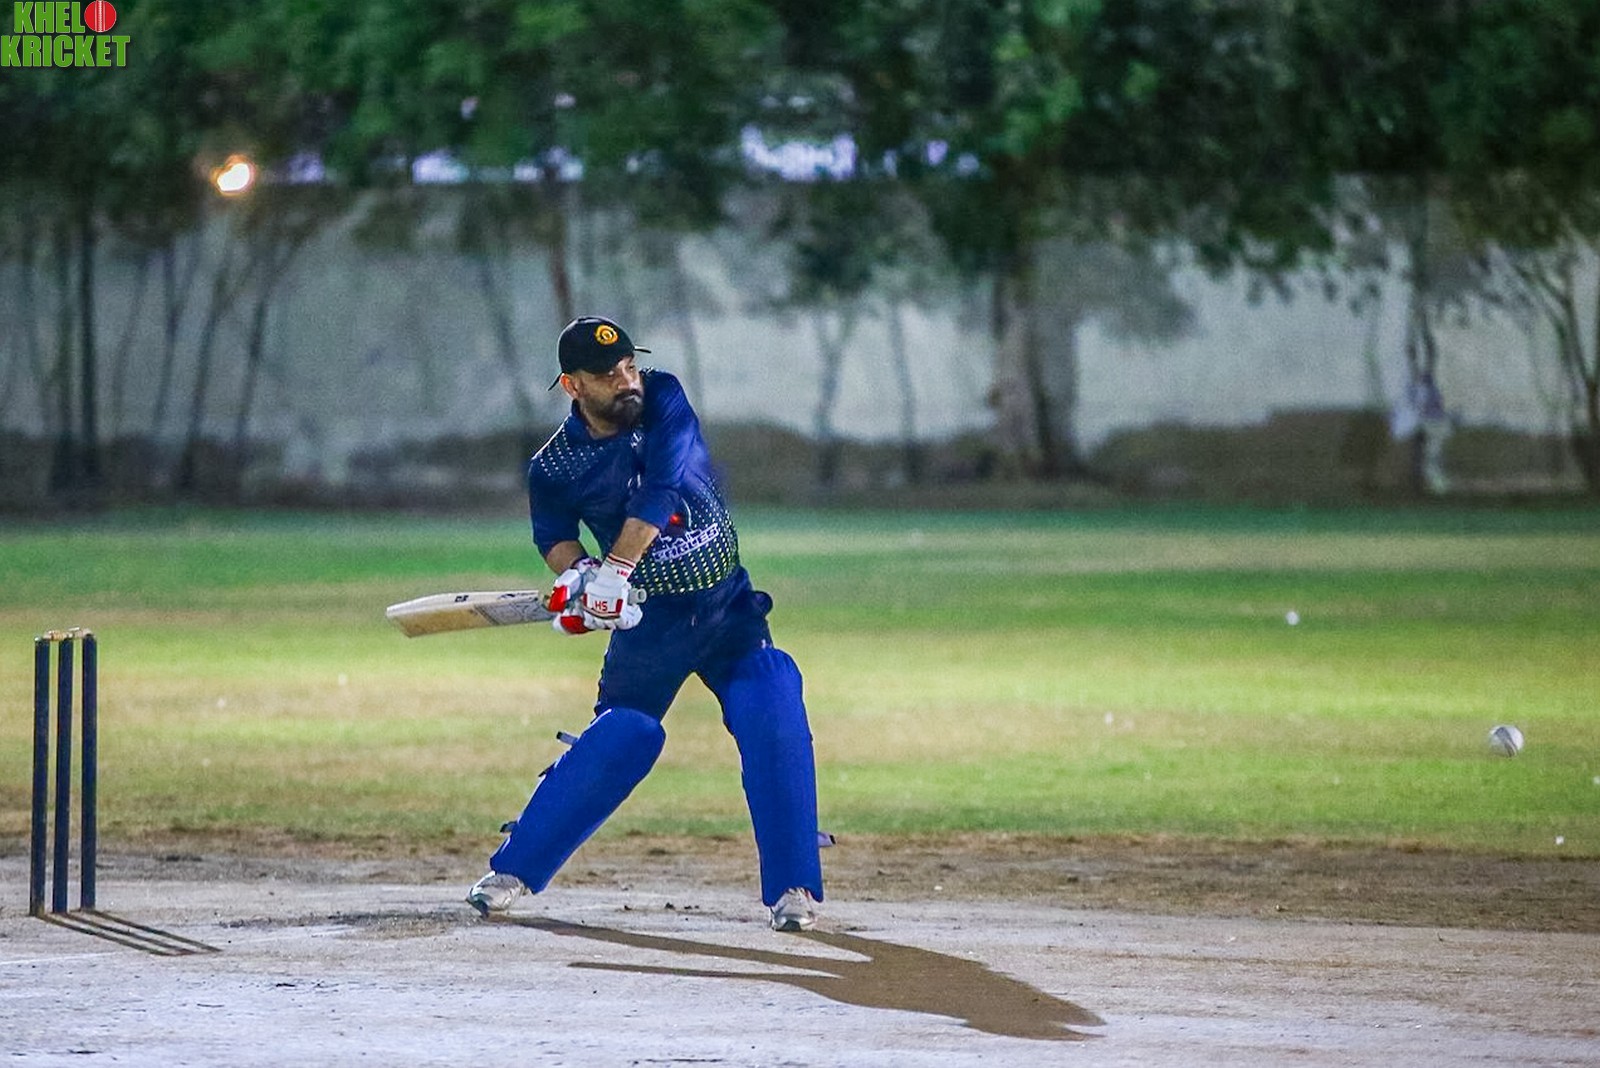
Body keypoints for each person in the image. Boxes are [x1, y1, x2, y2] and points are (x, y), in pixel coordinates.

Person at [466, 316, 826, 931]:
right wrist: (580, 576)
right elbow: (552, 535)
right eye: (608, 375)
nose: (626, 380)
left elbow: (661, 487)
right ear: (573, 385)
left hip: (726, 608)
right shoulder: (554, 467)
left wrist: (614, 569)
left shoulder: (663, 397)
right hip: (651, 623)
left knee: (771, 698)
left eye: (629, 365)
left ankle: (793, 887)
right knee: (622, 736)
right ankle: (513, 870)